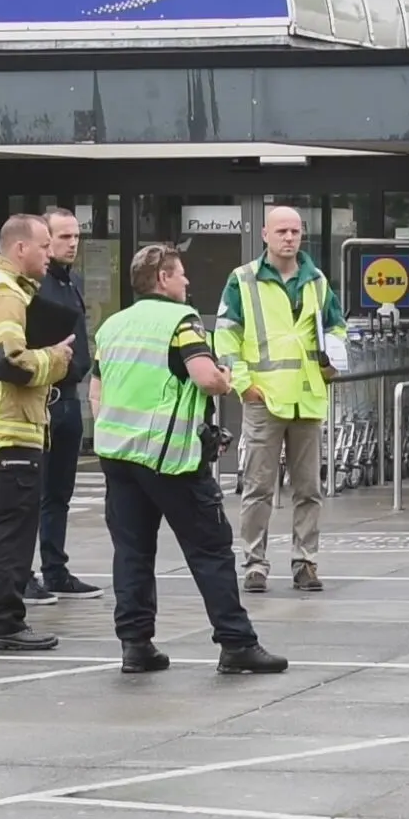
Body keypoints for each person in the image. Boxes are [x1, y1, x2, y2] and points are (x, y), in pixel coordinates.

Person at [93, 243, 289, 675]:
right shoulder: (182, 322)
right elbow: (204, 378)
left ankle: (136, 645)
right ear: (162, 278)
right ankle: (236, 642)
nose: (186, 282)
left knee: (132, 551)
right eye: (180, 274)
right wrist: (224, 379)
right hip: (171, 459)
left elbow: (97, 390)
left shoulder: (112, 325)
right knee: (210, 549)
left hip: (118, 456)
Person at [215, 205, 348, 594]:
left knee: (309, 489)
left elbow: (335, 325)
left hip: (307, 396)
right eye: (282, 231)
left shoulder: (316, 280)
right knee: (258, 488)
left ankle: (305, 562)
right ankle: (254, 564)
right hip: (264, 397)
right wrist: (242, 383)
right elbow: (226, 335)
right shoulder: (243, 279)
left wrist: (334, 360)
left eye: (295, 231)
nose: (289, 238)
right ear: (265, 235)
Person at [0, 213, 75, 651]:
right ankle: (5, 621)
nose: (50, 254)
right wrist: (54, 360)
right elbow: (3, 360)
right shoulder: (6, 295)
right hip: (11, 425)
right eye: (44, 246)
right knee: (12, 530)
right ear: (20, 248)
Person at [23, 206, 103, 604]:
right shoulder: (32, 286)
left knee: (59, 493)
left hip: (69, 397)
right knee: (32, 492)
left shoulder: (72, 282)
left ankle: (55, 568)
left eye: (76, 237)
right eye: (64, 237)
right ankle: (24, 572)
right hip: (44, 397)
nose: (72, 244)